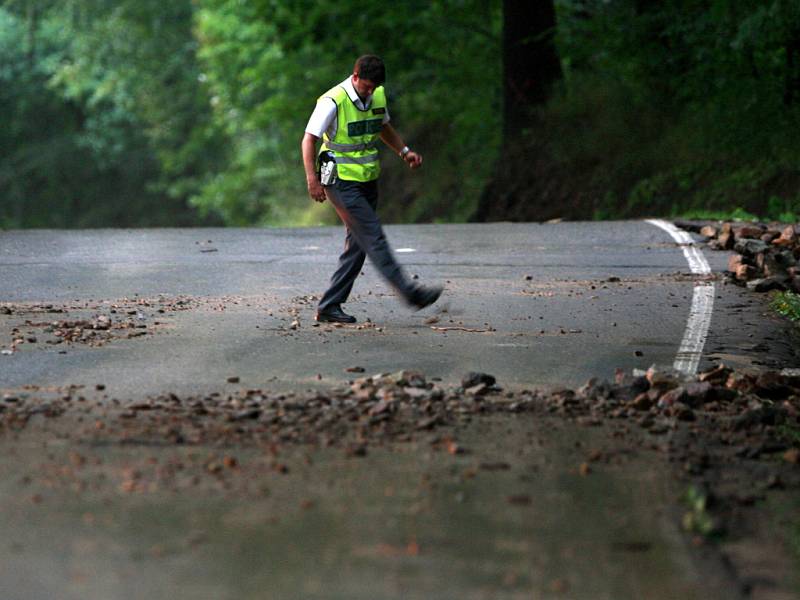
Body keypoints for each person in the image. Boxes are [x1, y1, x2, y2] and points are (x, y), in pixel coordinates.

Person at [301, 55, 442, 324]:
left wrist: (404, 151)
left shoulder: (377, 95)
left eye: (373, 87)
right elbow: (309, 140)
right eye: (365, 86)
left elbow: (382, 127)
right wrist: (312, 179)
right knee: (372, 234)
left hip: (365, 177)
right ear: (354, 76)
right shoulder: (333, 101)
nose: (369, 92)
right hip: (335, 175)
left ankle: (330, 306)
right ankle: (409, 292)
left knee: (358, 244)